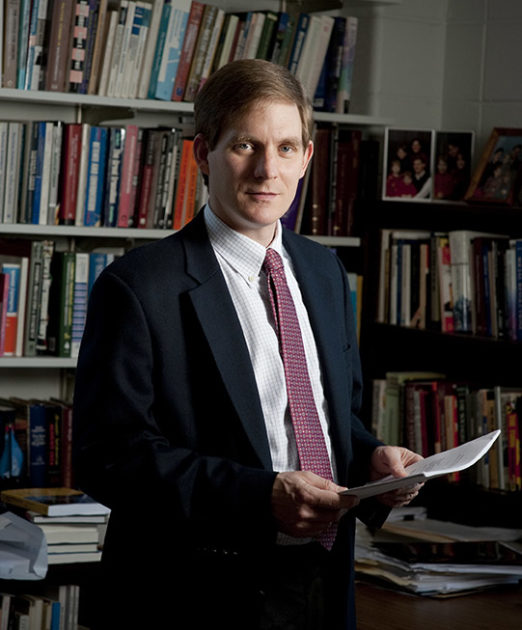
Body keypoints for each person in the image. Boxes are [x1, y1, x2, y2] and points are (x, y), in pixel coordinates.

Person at [73, 59, 423, 630]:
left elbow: (335, 419)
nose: (267, 169)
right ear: (202, 154)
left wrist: (372, 460)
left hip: (324, 581)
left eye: (287, 148)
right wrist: (260, 495)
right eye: (245, 145)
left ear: (307, 158)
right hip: (194, 594)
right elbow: (108, 459)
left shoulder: (325, 272)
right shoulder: (139, 286)